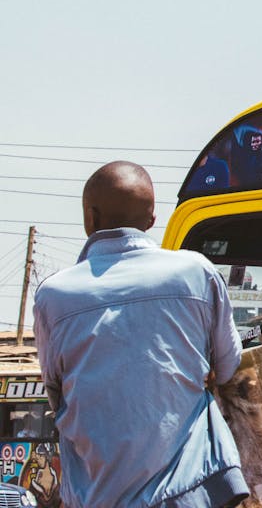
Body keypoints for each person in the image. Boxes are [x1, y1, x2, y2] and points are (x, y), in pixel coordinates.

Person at [33, 161, 247, 508]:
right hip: (191, 494)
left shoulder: (54, 296)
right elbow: (227, 368)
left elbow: (57, 394)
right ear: (151, 220)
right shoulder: (196, 272)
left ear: (91, 217)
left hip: (98, 497)